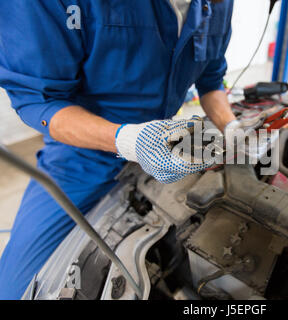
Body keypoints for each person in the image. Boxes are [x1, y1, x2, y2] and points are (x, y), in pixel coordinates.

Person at [0, 0, 235, 299]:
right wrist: (129, 141)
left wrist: (233, 127)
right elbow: (41, 100)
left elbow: (211, 79)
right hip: (81, 159)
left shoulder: (220, 3)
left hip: (165, 144)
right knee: (16, 289)